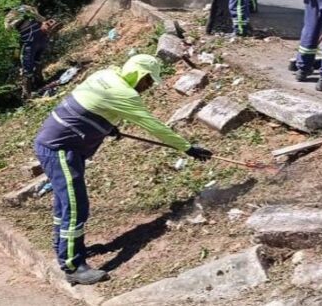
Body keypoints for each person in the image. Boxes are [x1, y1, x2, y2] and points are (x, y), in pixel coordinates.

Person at [32, 54, 213, 285]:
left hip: (55, 144)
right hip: (60, 149)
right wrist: (187, 148)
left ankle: (66, 249)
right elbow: (153, 125)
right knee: (75, 206)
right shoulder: (124, 93)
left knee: (64, 204)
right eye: (147, 80)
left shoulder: (105, 76)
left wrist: (105, 126)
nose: (147, 87)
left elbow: (89, 103)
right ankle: (73, 266)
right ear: (138, 73)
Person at [5, 4, 60, 98]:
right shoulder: (25, 8)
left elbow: (8, 30)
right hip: (40, 38)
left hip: (31, 40)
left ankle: (29, 92)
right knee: (36, 60)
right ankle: (38, 84)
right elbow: (42, 19)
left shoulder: (10, 16)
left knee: (28, 65)